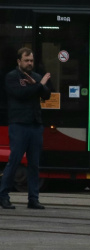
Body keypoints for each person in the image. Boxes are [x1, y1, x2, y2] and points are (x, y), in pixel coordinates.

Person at [0, 48, 52, 210]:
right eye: (26, 60)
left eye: (31, 60)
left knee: (34, 164)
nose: (29, 63)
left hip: (35, 124)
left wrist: (38, 85)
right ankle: (3, 196)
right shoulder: (11, 77)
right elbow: (21, 94)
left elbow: (47, 95)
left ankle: (33, 199)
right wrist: (39, 85)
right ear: (19, 61)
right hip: (19, 124)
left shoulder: (36, 77)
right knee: (14, 161)